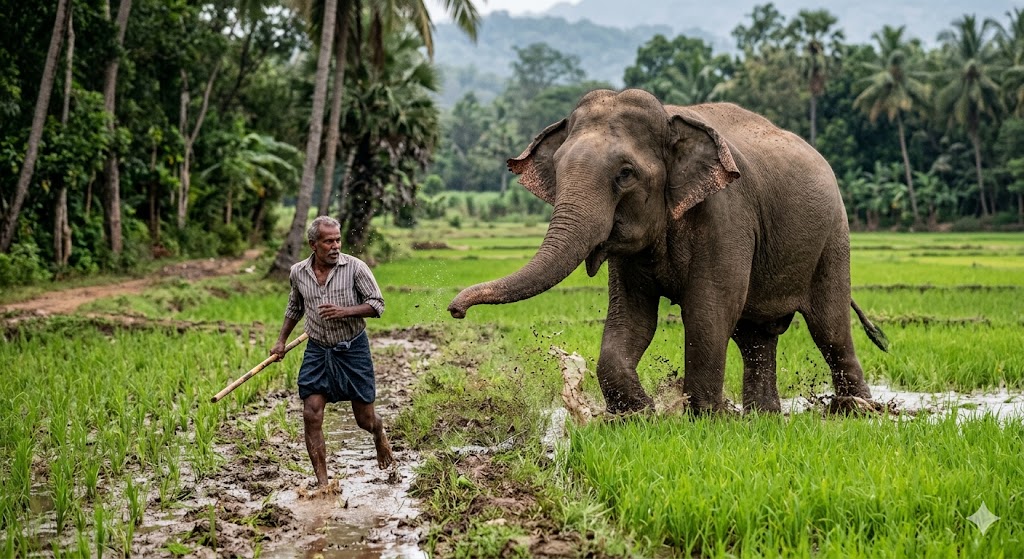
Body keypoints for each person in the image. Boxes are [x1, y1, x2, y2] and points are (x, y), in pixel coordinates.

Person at [271, 216, 393, 488]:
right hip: (317, 349)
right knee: (311, 413)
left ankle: (379, 434)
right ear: (314, 244)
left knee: (365, 420)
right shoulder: (298, 273)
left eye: (338, 239)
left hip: (352, 349)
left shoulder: (356, 268)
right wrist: (281, 341)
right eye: (329, 241)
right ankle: (323, 484)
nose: (335, 245)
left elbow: (377, 305)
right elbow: (294, 308)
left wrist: (344, 312)